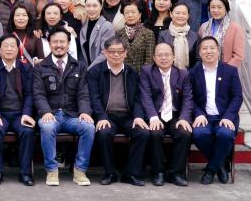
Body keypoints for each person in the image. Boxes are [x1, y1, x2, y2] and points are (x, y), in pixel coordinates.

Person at [32, 27, 95, 186]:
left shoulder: (79, 66)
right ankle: (52, 170)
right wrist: (45, 112)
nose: (58, 45)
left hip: (72, 115)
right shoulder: (40, 67)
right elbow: (38, 94)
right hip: (51, 114)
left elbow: (83, 93)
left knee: (88, 127)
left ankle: (80, 170)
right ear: (50, 44)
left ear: (68, 44)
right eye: (55, 42)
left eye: (62, 42)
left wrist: (85, 112)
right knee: (47, 127)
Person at [87, 35, 150, 186]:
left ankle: (131, 173)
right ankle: (110, 173)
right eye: (112, 51)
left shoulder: (132, 72)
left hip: (127, 115)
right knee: (104, 133)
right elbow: (94, 98)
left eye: (120, 51)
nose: (116, 55)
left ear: (125, 53)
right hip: (106, 116)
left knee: (143, 132)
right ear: (105, 52)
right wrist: (101, 117)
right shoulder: (95, 72)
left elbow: (137, 98)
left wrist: (138, 116)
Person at [139, 42, 194, 186]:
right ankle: (158, 172)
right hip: (155, 113)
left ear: (173, 57)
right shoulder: (146, 71)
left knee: (184, 133)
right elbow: (145, 96)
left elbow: (188, 98)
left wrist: (184, 118)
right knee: (155, 133)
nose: (163, 58)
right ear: (154, 57)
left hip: (175, 115)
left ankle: (176, 173)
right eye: (159, 55)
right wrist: (152, 117)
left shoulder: (182, 74)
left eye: (167, 54)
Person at [190, 36, 243, 184]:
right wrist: (198, 114)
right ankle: (220, 167)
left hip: (224, 116)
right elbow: (189, 98)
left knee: (225, 134)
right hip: (204, 117)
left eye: (212, 48)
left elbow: (237, 97)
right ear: (199, 53)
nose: (208, 51)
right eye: (204, 48)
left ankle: (210, 171)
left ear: (218, 51)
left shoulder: (230, 71)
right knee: (199, 134)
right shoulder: (192, 73)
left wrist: (228, 116)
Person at [0, 35, 36, 186]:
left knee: (27, 131)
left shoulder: (26, 68)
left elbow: (30, 94)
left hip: (20, 114)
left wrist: (26, 113)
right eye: (5, 46)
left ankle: (25, 173)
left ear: (18, 49)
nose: (9, 49)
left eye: (12, 45)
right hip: (1, 114)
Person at [198, 0, 245, 68]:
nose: (216, 10)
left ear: (226, 8)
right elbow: (199, 50)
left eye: (219, 7)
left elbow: (238, 56)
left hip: (227, 71)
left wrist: (224, 70)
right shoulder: (203, 27)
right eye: (213, 7)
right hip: (205, 70)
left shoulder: (235, 29)